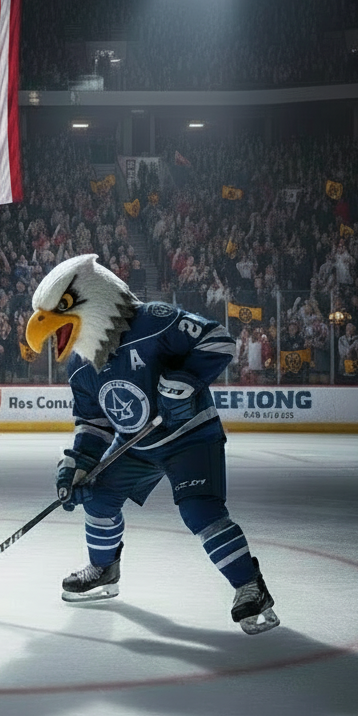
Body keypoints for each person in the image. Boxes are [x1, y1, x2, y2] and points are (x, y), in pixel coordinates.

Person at [25, 253, 279, 635]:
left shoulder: (154, 321)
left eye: (62, 307)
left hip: (189, 435)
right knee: (96, 496)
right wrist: (78, 463)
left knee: (200, 511)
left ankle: (250, 587)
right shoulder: (79, 365)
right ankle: (103, 570)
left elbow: (218, 341)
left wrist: (186, 380)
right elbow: (94, 422)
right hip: (135, 445)